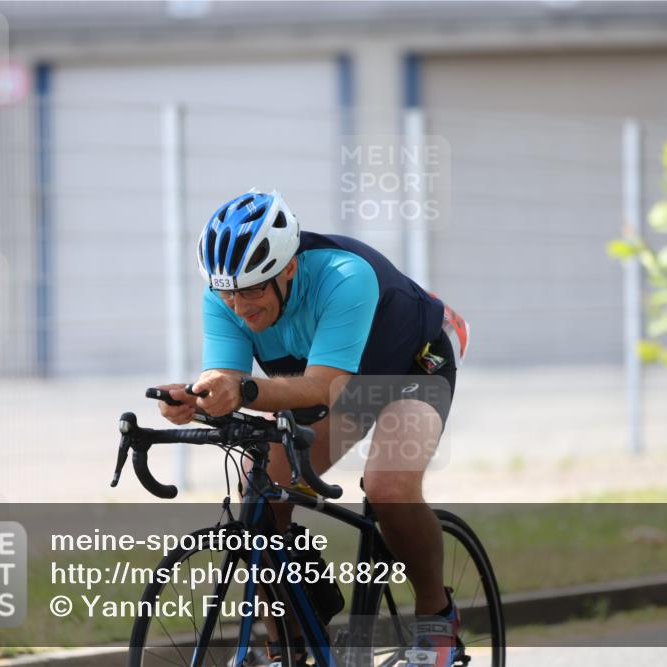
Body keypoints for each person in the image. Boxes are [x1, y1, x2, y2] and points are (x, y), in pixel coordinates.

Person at [156, 189, 468, 667]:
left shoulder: (346, 276)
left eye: (254, 290)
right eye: (229, 292)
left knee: (389, 486)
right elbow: (228, 381)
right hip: (338, 383)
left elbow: (323, 387)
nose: (240, 307)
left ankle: (437, 619)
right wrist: (196, 400)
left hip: (411, 366)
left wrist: (245, 391)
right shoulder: (225, 296)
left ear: (289, 269)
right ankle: (291, 645)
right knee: (259, 498)